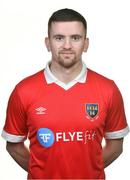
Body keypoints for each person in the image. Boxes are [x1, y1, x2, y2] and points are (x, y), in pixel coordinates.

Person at [1, 8, 129, 179]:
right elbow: (14, 146)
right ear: (48, 43)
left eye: (75, 38)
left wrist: (86, 170)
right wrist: (44, 172)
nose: (67, 45)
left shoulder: (108, 89)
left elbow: (115, 146)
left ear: (86, 43)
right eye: (59, 38)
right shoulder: (24, 90)